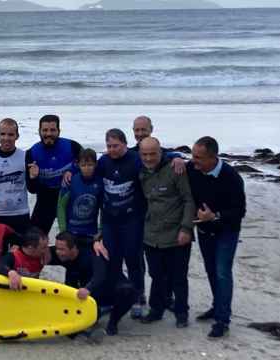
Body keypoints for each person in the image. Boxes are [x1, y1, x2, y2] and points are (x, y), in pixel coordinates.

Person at [187, 136, 246, 338]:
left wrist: (215, 216)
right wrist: (175, 159)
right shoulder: (193, 168)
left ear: (213, 157)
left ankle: (222, 320)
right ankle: (216, 306)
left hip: (226, 232)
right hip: (205, 231)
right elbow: (170, 161)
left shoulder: (231, 177)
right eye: (192, 156)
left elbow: (239, 211)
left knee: (222, 272)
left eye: (198, 157)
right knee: (211, 271)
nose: (193, 161)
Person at [138, 137, 195, 328]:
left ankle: (181, 313)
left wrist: (186, 228)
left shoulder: (175, 169)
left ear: (160, 152)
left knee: (178, 276)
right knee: (156, 275)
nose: (148, 158)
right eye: (144, 154)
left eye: (152, 153)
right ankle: (156, 310)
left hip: (177, 234)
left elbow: (188, 200)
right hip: (151, 235)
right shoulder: (141, 171)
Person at [95, 128, 148, 318]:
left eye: (116, 146)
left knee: (133, 260)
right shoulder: (104, 161)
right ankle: (114, 297)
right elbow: (88, 172)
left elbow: (157, 160)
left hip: (132, 219)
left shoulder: (135, 159)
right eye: (109, 146)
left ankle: (138, 297)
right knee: (112, 261)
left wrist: (175, 158)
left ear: (125, 144)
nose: (112, 150)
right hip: (110, 220)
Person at [47, 232, 137, 336]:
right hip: (88, 292)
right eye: (57, 248)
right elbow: (35, 250)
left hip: (107, 287)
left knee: (128, 291)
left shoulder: (93, 253)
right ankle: (96, 313)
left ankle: (113, 322)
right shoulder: (61, 254)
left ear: (73, 248)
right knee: (73, 331)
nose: (58, 252)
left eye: (62, 249)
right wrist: (44, 252)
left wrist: (88, 288)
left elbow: (100, 275)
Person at [26, 114, 82, 234]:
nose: (49, 134)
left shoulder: (73, 147)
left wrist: (72, 171)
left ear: (59, 131)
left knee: (73, 237)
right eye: (45, 130)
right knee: (33, 238)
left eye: (52, 130)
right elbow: (32, 190)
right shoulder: (32, 153)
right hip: (45, 198)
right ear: (39, 131)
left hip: (69, 196)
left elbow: (90, 167)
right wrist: (33, 177)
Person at [0, 118, 30, 232]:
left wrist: (34, 177)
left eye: (10, 134)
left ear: (17, 136)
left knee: (20, 249)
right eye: (3, 134)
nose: (6, 138)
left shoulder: (25, 156)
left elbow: (33, 189)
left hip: (20, 213)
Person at [57, 148, 103, 256]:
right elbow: (61, 207)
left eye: (90, 165)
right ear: (78, 165)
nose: (87, 168)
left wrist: (100, 229)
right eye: (83, 165)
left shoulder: (100, 182)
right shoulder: (70, 181)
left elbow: (104, 208)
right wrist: (63, 230)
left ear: (95, 164)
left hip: (91, 231)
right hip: (71, 231)